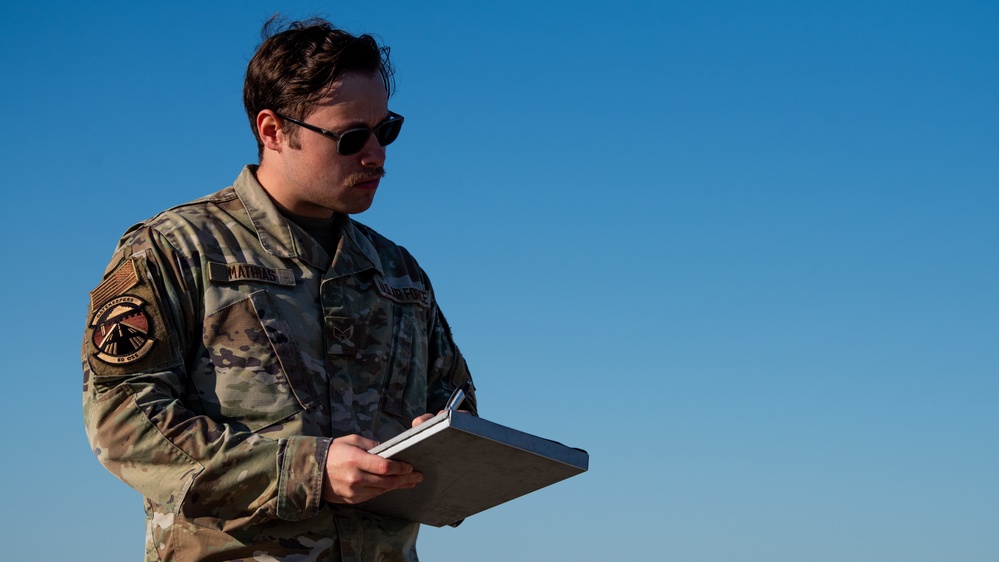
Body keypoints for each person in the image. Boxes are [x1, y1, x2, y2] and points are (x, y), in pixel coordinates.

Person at [82, 17, 476, 562]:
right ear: (272, 130)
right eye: (351, 137)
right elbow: (124, 425)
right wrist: (309, 471)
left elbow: (456, 403)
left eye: (386, 130)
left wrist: (440, 443)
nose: (376, 155)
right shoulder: (175, 250)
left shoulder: (399, 273)